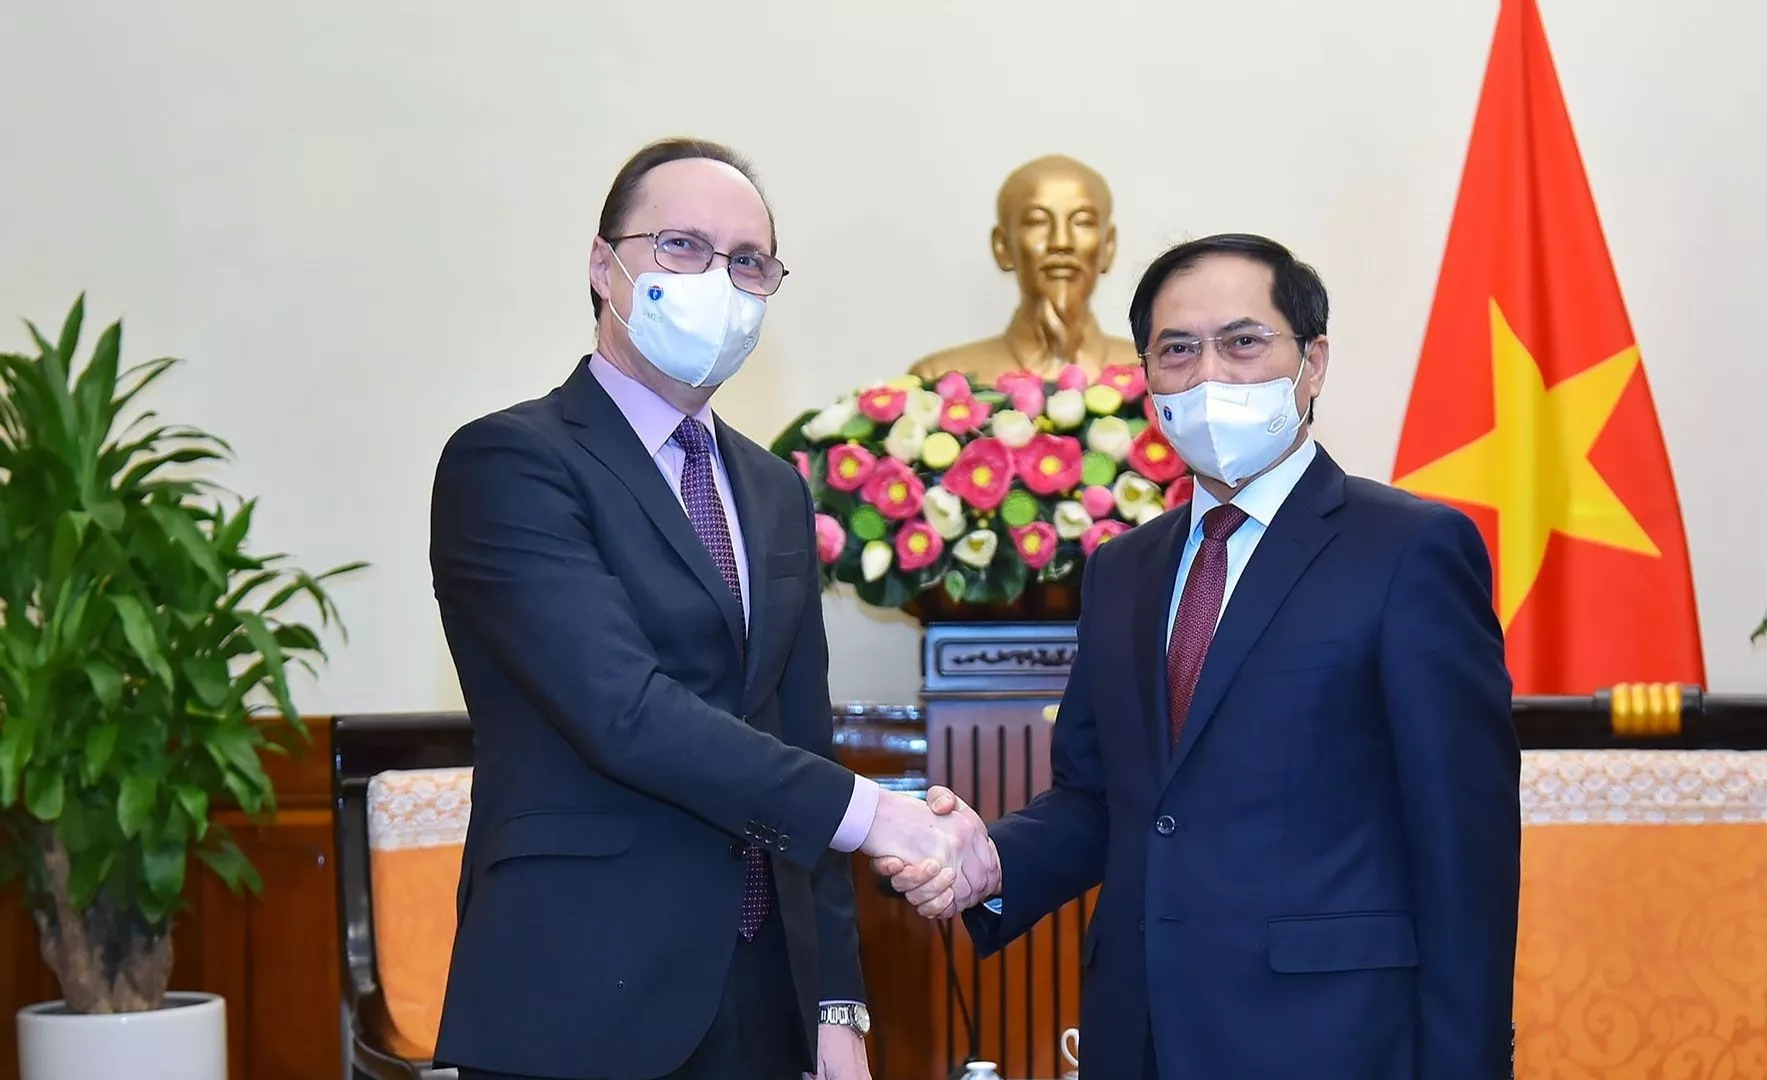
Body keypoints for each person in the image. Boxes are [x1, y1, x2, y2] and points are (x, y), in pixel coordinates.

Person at [881, 234, 1521, 1079]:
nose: (1211, 373)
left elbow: (1464, 844)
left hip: (1335, 1039)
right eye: (1178, 350)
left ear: (1313, 362)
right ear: (1147, 378)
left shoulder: (1410, 550)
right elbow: (1103, 799)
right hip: (1138, 1033)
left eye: (1243, 342)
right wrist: (994, 860)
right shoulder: (1122, 569)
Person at [429, 137, 964, 1080]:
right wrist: (880, 815)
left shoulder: (774, 488)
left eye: (748, 261)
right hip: (580, 988)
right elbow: (622, 710)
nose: (718, 280)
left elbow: (802, 737)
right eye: (681, 246)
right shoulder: (511, 463)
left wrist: (834, 1001)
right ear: (605, 267)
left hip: (762, 993)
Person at [907, 154, 1139, 383]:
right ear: (1002, 246)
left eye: (1082, 222)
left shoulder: (1148, 374)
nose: (1061, 242)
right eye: (1037, 221)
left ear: (1108, 246)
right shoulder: (939, 380)